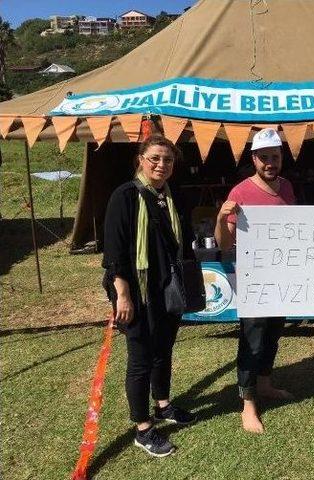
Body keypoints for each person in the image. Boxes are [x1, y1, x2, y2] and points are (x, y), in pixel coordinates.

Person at [102, 135, 196, 457]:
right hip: (135, 291)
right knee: (140, 359)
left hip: (166, 290)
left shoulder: (172, 196)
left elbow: (184, 241)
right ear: (141, 158)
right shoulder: (125, 196)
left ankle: (163, 404)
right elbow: (114, 253)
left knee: (164, 350)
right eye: (155, 158)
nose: (161, 165)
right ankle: (143, 428)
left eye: (168, 160)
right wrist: (123, 295)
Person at [214, 127, 295, 434]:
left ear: (281, 158)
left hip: (281, 278)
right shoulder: (240, 192)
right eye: (263, 158)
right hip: (254, 281)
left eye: (274, 157)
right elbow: (224, 244)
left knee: (273, 333)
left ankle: (264, 385)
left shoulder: (287, 187)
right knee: (253, 339)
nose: (269, 163)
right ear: (254, 159)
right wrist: (222, 218)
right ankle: (247, 404)